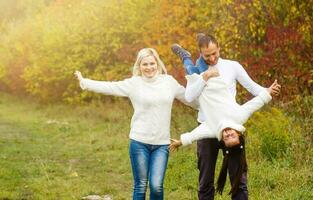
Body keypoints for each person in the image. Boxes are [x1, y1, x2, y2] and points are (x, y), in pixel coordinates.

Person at [74, 48, 196, 200]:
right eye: (145, 64)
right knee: (141, 185)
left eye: (152, 63)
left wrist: (211, 105)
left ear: (157, 63)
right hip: (139, 142)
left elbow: (189, 98)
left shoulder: (168, 82)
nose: (149, 67)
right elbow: (109, 87)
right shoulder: (134, 84)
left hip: (161, 144)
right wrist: (85, 82)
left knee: (156, 186)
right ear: (139, 66)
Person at [170, 33, 280, 200]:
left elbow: (253, 88)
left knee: (238, 177)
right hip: (208, 124)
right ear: (201, 53)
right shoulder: (200, 71)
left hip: (232, 129)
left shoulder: (232, 66)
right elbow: (190, 96)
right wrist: (205, 77)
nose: (212, 58)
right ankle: (185, 56)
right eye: (207, 56)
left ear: (219, 48)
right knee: (206, 179)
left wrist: (268, 91)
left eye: (215, 53)